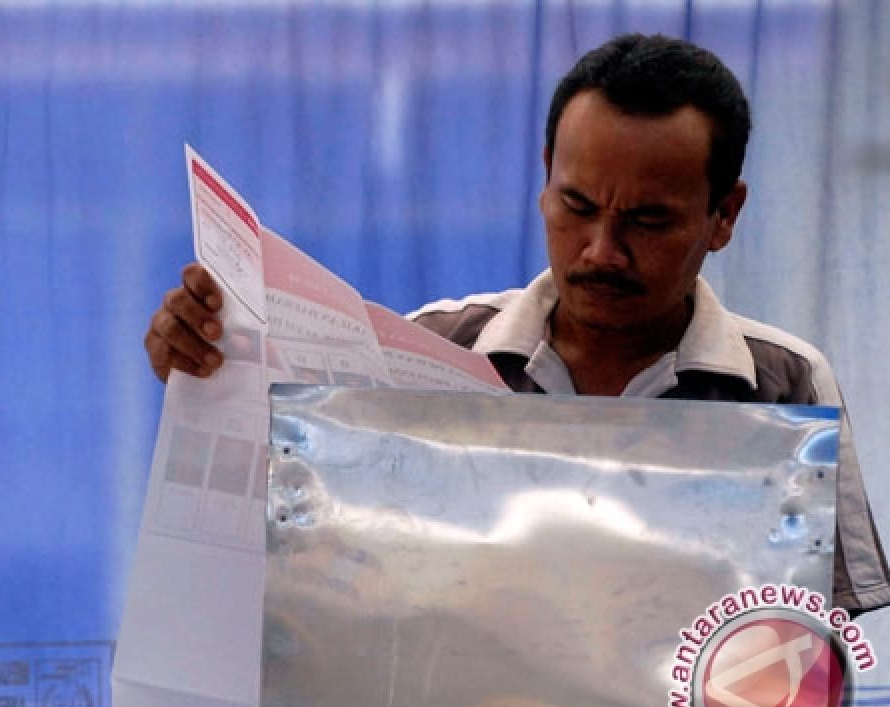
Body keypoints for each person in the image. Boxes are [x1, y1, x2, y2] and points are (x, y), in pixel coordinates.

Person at [141, 33, 889, 614]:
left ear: (724, 215)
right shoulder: (428, 352)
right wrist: (208, 375)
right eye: (577, 205)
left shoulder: (783, 386)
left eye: (648, 221)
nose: (601, 251)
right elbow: (289, 539)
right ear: (544, 176)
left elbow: (811, 650)